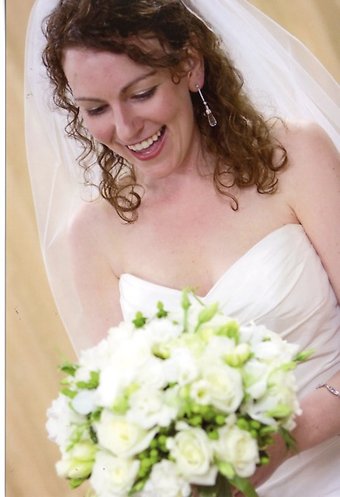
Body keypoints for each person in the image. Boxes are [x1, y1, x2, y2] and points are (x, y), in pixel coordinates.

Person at [25, 0, 340, 496]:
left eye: (141, 93)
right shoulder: (91, 236)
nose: (126, 130)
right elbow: (116, 421)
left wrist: (280, 442)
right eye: (97, 109)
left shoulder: (296, 158)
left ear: (189, 66)